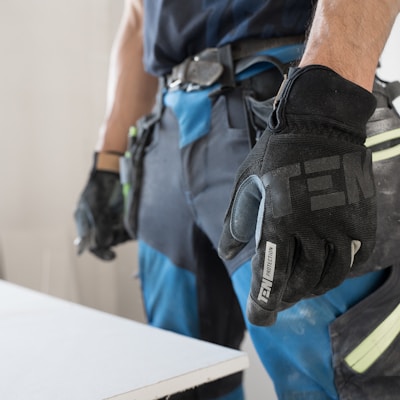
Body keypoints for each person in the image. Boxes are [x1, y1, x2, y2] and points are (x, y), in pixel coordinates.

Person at [74, 1, 400, 399]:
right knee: (180, 378)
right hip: (167, 129)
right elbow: (139, 13)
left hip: (286, 110)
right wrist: (107, 160)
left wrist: (322, 111)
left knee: (337, 382)